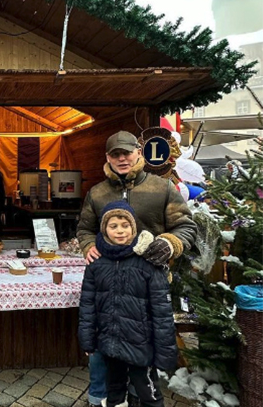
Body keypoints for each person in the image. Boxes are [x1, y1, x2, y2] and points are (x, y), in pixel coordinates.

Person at [76, 130, 196, 407]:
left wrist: (170, 243)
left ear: (138, 153)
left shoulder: (161, 188)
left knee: (146, 351)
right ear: (107, 157)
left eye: (126, 152)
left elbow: (186, 226)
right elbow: (84, 228)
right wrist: (86, 245)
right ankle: (103, 397)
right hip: (111, 284)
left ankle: (142, 396)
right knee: (108, 347)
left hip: (149, 282)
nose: (122, 158)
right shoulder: (97, 192)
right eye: (115, 154)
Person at [79, 201, 177, 407]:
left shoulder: (149, 262)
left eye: (125, 225)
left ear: (134, 227)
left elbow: (162, 311)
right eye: (113, 226)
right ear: (104, 229)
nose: (120, 231)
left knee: (148, 392)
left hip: (140, 344)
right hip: (110, 342)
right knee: (114, 391)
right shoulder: (96, 263)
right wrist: (87, 339)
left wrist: (165, 351)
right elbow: (87, 305)